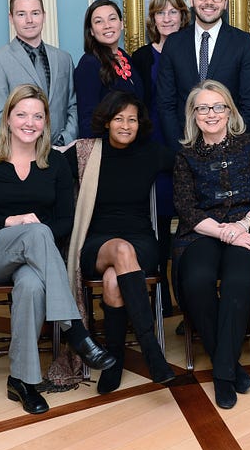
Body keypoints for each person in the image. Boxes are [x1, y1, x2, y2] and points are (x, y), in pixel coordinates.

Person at [0, 84, 115, 415]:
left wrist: (33, 231)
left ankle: (23, 380)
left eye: (38, 116)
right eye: (22, 114)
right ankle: (76, 329)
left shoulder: (54, 163)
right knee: (36, 231)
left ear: (46, 121)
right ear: (8, 118)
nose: (30, 122)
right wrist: (12, 222)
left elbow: (65, 222)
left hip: (33, 256)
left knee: (30, 284)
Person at [172, 80, 250, 410]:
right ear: (194, 115)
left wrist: (243, 225)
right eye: (203, 108)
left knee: (239, 280)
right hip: (201, 232)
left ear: (229, 110)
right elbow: (186, 208)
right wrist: (224, 231)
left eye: (218, 106)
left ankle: (221, 373)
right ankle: (229, 365)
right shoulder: (185, 155)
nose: (211, 113)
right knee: (197, 280)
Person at [64, 91, 177, 394]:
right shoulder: (86, 152)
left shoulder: (151, 152)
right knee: (120, 250)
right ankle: (152, 353)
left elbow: (191, 160)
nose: (126, 125)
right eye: (119, 119)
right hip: (97, 244)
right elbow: (43, 164)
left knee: (114, 281)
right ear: (107, 122)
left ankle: (113, 360)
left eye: (132, 119)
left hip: (141, 240)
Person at [130, 0, 190, 316]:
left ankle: (188, 291)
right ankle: (162, 294)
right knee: (160, 220)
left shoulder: (192, 51)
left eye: (172, 12)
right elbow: (138, 107)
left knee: (192, 218)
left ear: (182, 15)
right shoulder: (140, 57)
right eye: (160, 13)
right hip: (156, 147)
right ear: (153, 19)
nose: (167, 19)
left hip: (190, 141)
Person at [157, 0, 250, 147]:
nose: (209, 2)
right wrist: (181, 148)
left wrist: (230, 146)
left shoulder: (243, 42)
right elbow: (166, 103)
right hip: (184, 148)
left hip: (232, 150)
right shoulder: (174, 44)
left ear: (225, 2)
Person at [0, 0, 79, 147]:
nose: (29, 20)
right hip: (19, 151)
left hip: (62, 150)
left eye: (35, 13)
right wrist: (31, 143)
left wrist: (64, 139)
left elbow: (73, 105)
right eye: (21, 14)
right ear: (11, 18)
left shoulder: (63, 59)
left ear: (44, 16)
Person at [74, 0, 144, 137]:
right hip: (108, 148)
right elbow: (88, 119)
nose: (107, 25)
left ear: (121, 23)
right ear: (92, 31)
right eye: (99, 21)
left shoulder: (125, 57)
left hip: (132, 143)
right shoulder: (89, 63)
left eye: (112, 19)